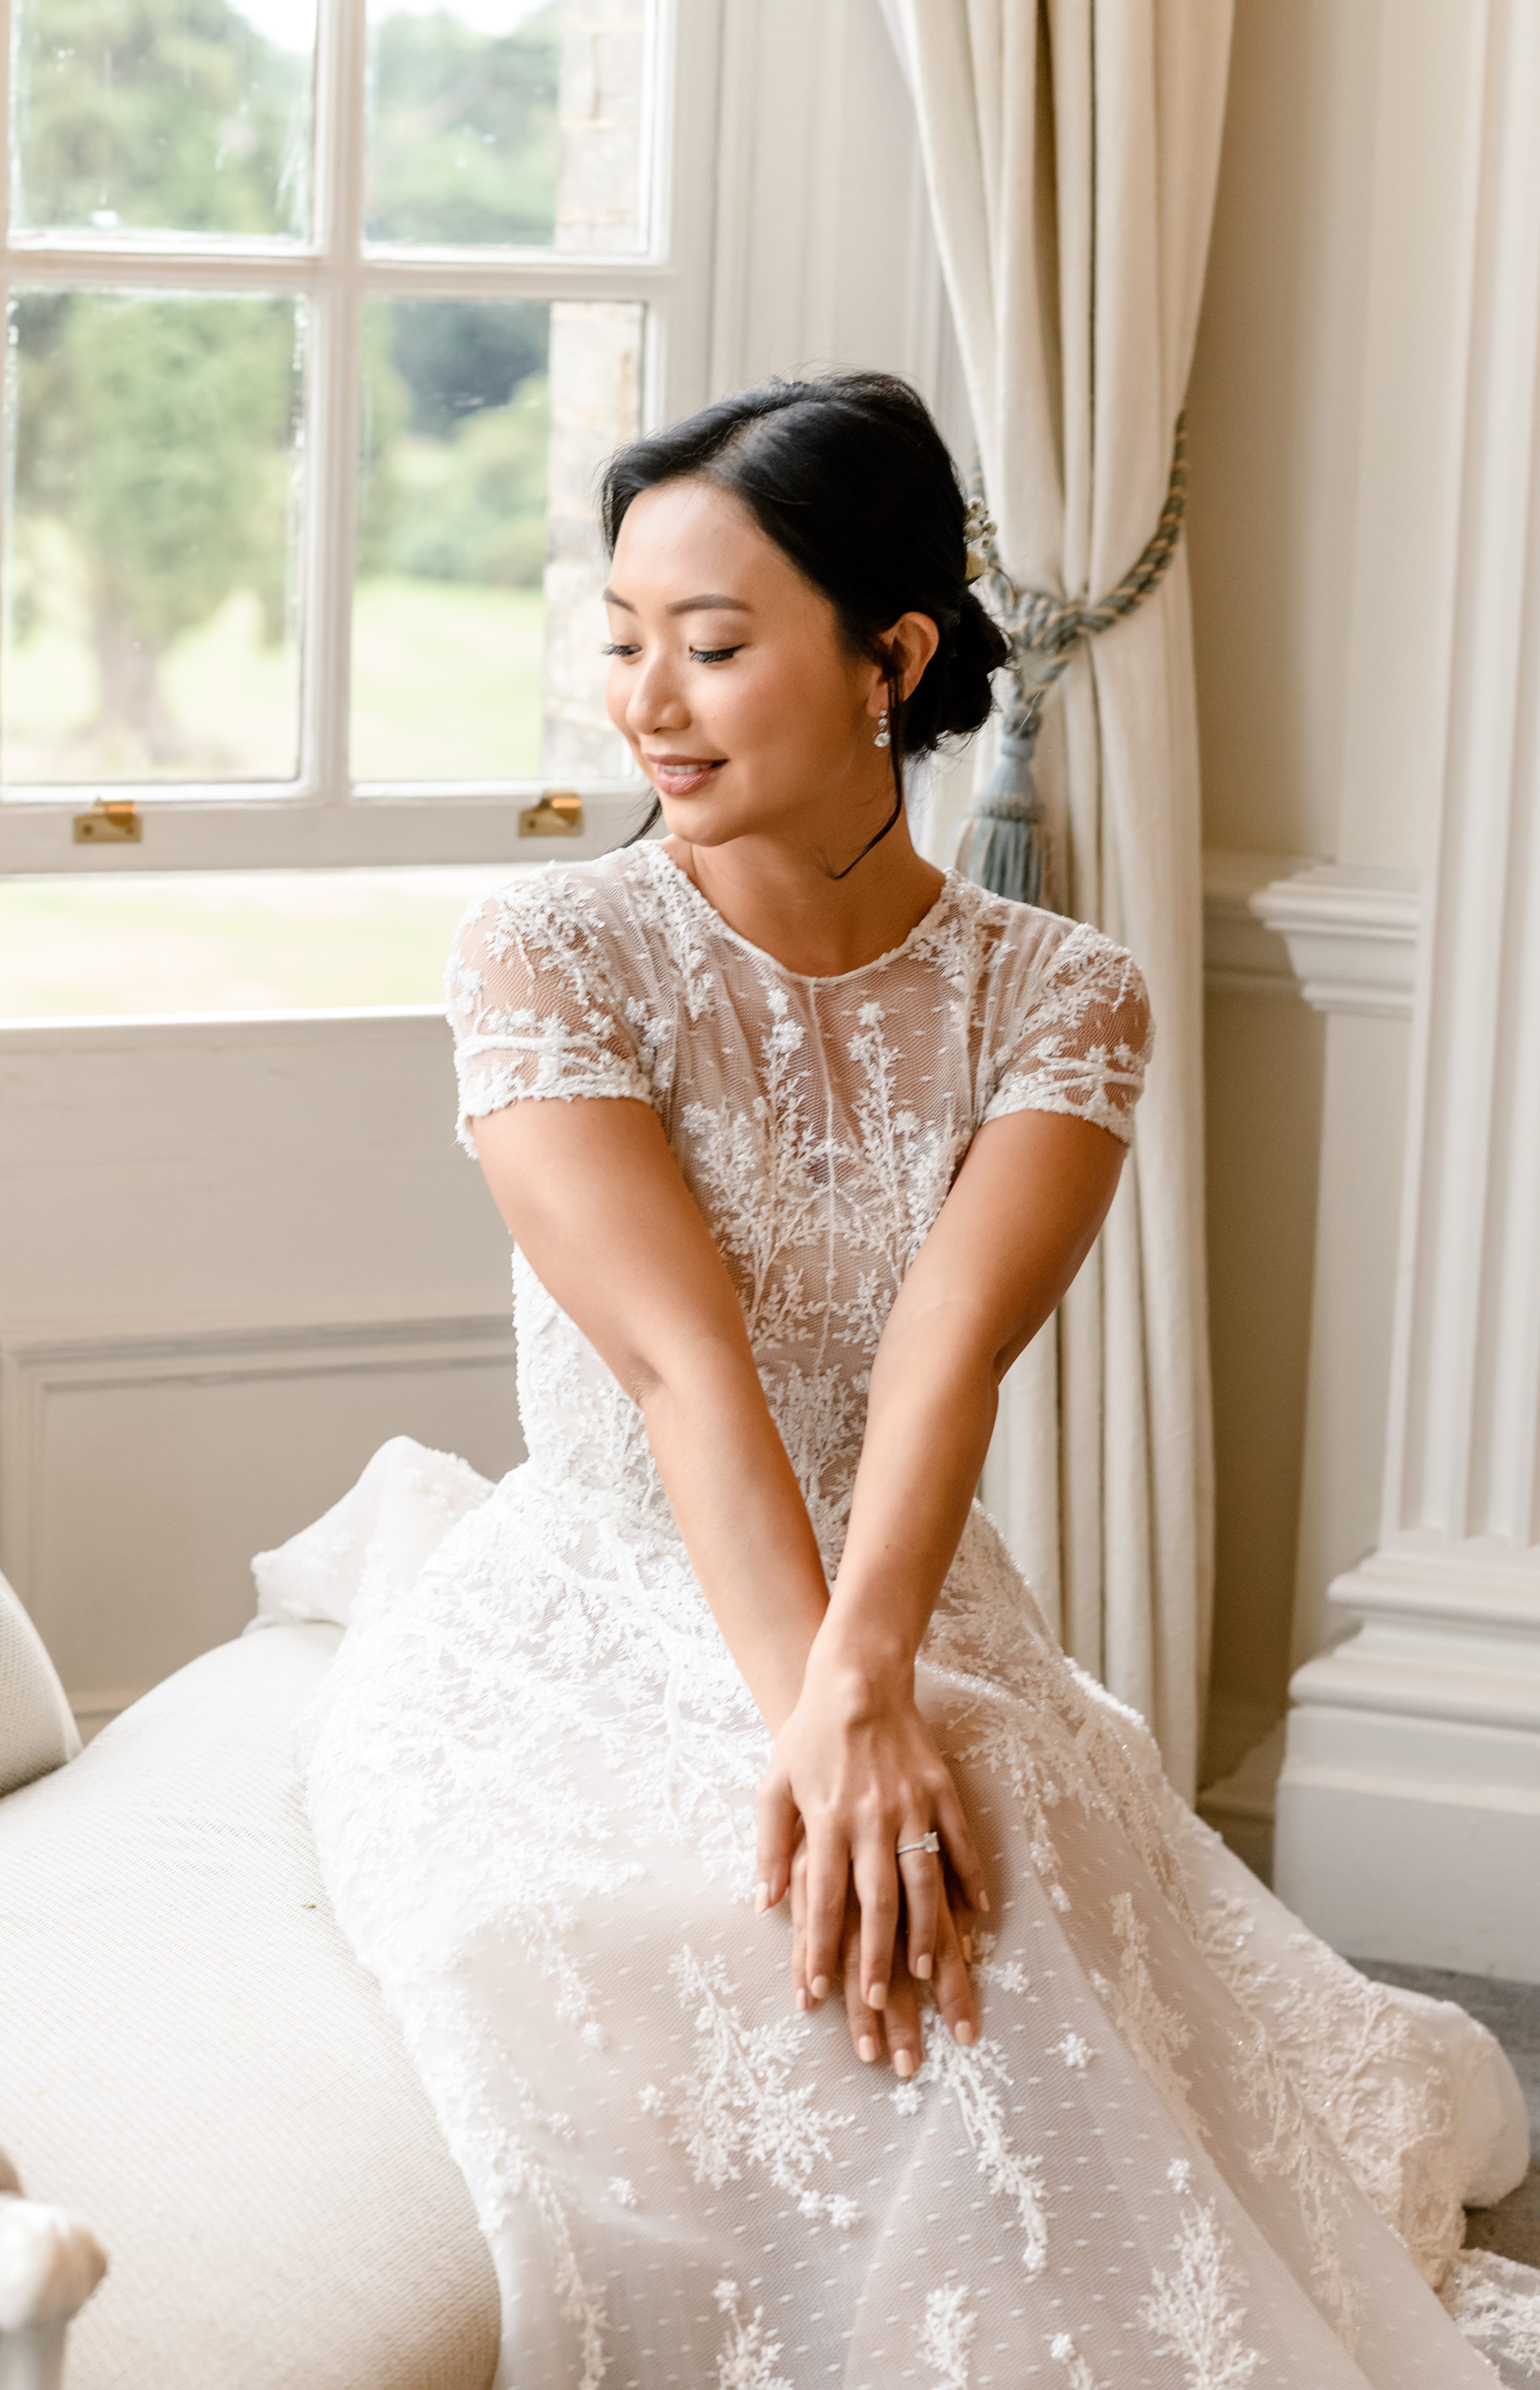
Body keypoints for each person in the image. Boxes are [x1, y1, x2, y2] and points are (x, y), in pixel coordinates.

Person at [272, 373, 1540, 2387]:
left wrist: (872, 1689)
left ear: (895, 660)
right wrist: (820, 1725)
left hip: (911, 1591)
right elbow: (689, 1373)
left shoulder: (1062, 996)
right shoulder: (548, 954)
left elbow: (945, 1372)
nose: (647, 704)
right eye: (620, 644)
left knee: (989, 1850)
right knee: (800, 1901)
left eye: (711, 643)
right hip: (600, 1607)